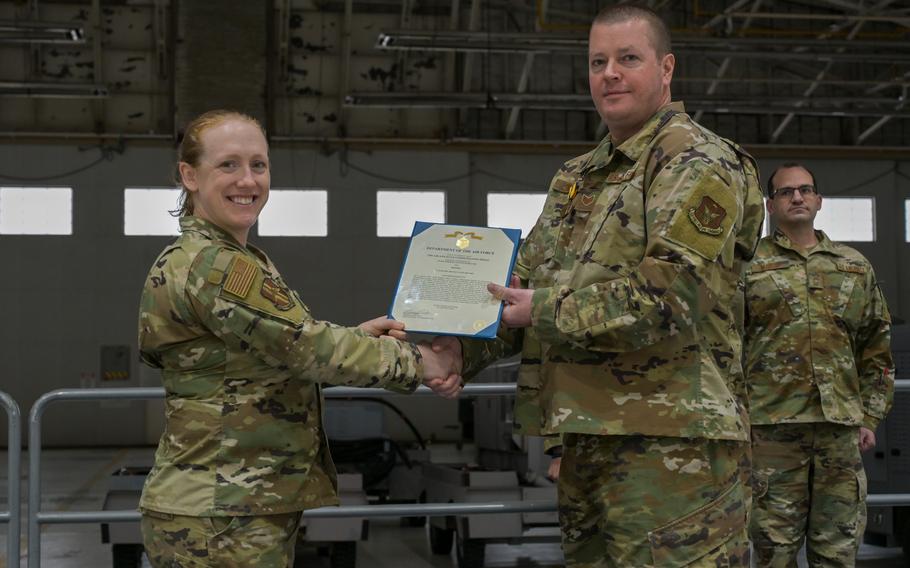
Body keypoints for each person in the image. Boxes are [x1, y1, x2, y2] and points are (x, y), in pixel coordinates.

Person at [444, 5, 766, 565]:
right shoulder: (577, 177)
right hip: (587, 440)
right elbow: (519, 290)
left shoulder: (697, 160)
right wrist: (452, 347)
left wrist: (535, 309)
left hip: (674, 449)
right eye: (598, 61)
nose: (609, 73)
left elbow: (670, 296)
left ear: (667, 68)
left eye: (627, 59)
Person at [137, 109, 462, 567]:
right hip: (223, 512)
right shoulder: (217, 265)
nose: (247, 180)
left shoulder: (217, 257)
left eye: (259, 164)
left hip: (228, 504)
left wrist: (356, 337)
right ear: (189, 175)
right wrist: (424, 363)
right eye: (227, 165)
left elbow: (268, 358)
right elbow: (307, 349)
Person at [745, 162, 894, 566]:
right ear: (770, 205)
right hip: (771, 430)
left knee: (838, 550)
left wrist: (869, 416)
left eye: (805, 190)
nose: (797, 197)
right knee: (774, 551)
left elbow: (876, 348)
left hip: (839, 431)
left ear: (819, 201)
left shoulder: (853, 266)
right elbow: (724, 346)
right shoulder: (747, 266)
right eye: (785, 191)